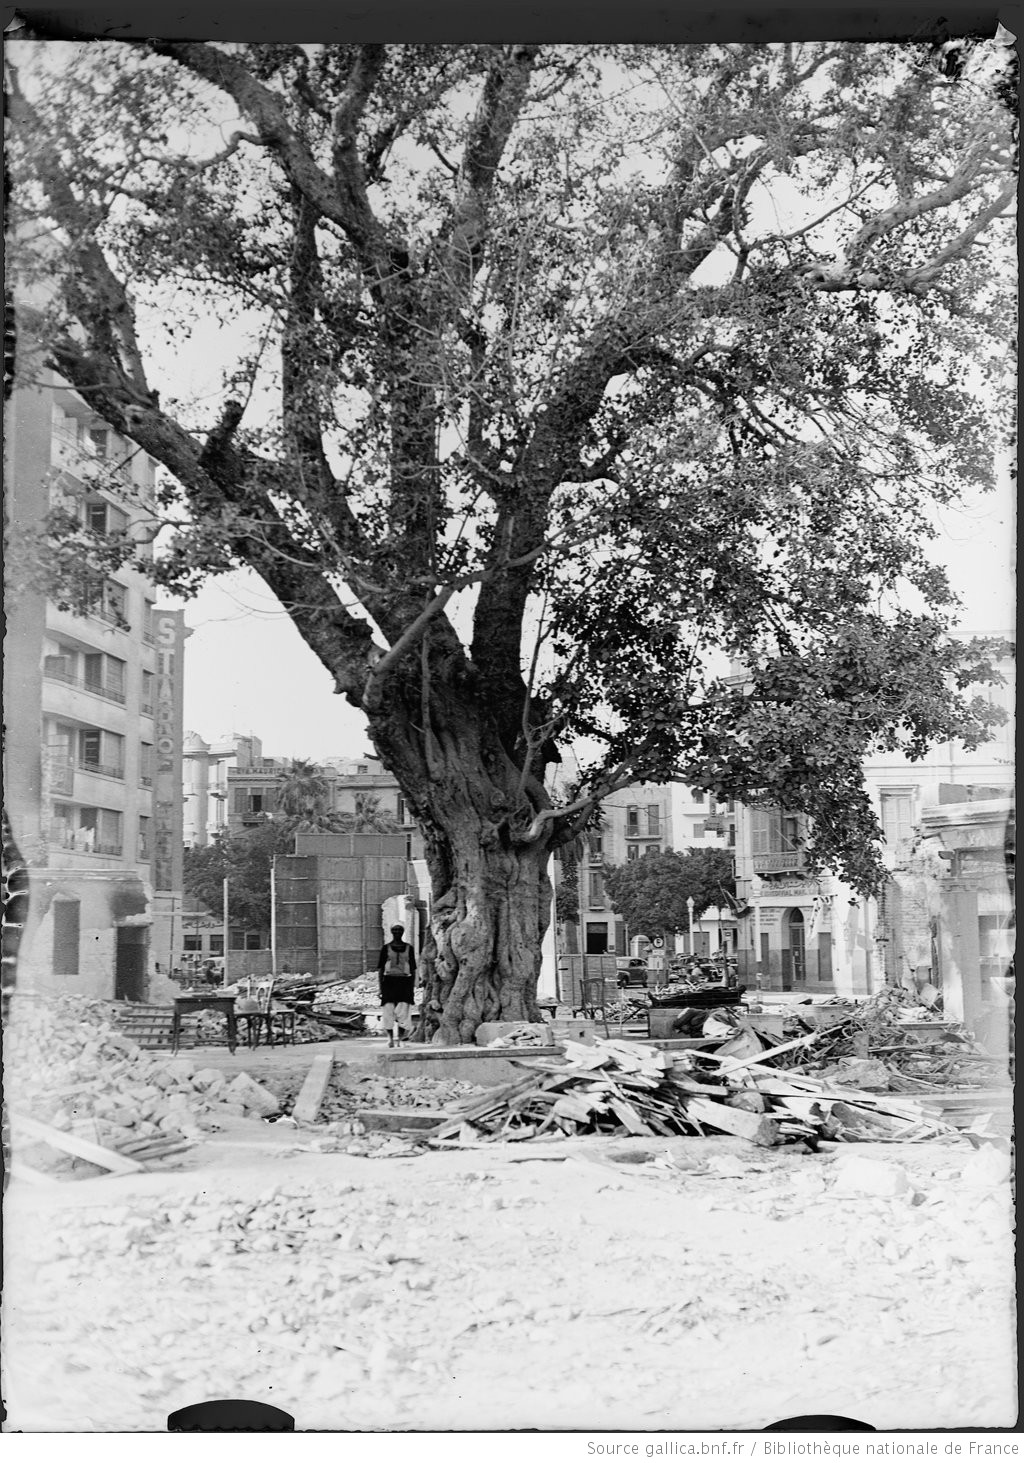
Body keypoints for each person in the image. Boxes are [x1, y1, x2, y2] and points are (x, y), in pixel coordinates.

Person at [378, 923, 416, 1046]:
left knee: (403, 1011)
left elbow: (413, 968)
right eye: (395, 930)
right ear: (391, 932)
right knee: (388, 1010)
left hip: (404, 982)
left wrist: (412, 987)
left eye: (400, 930)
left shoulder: (409, 948)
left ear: (403, 932)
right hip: (388, 981)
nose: (397, 932)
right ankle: (390, 1039)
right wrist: (380, 988)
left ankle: (399, 1039)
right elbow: (380, 968)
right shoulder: (386, 948)